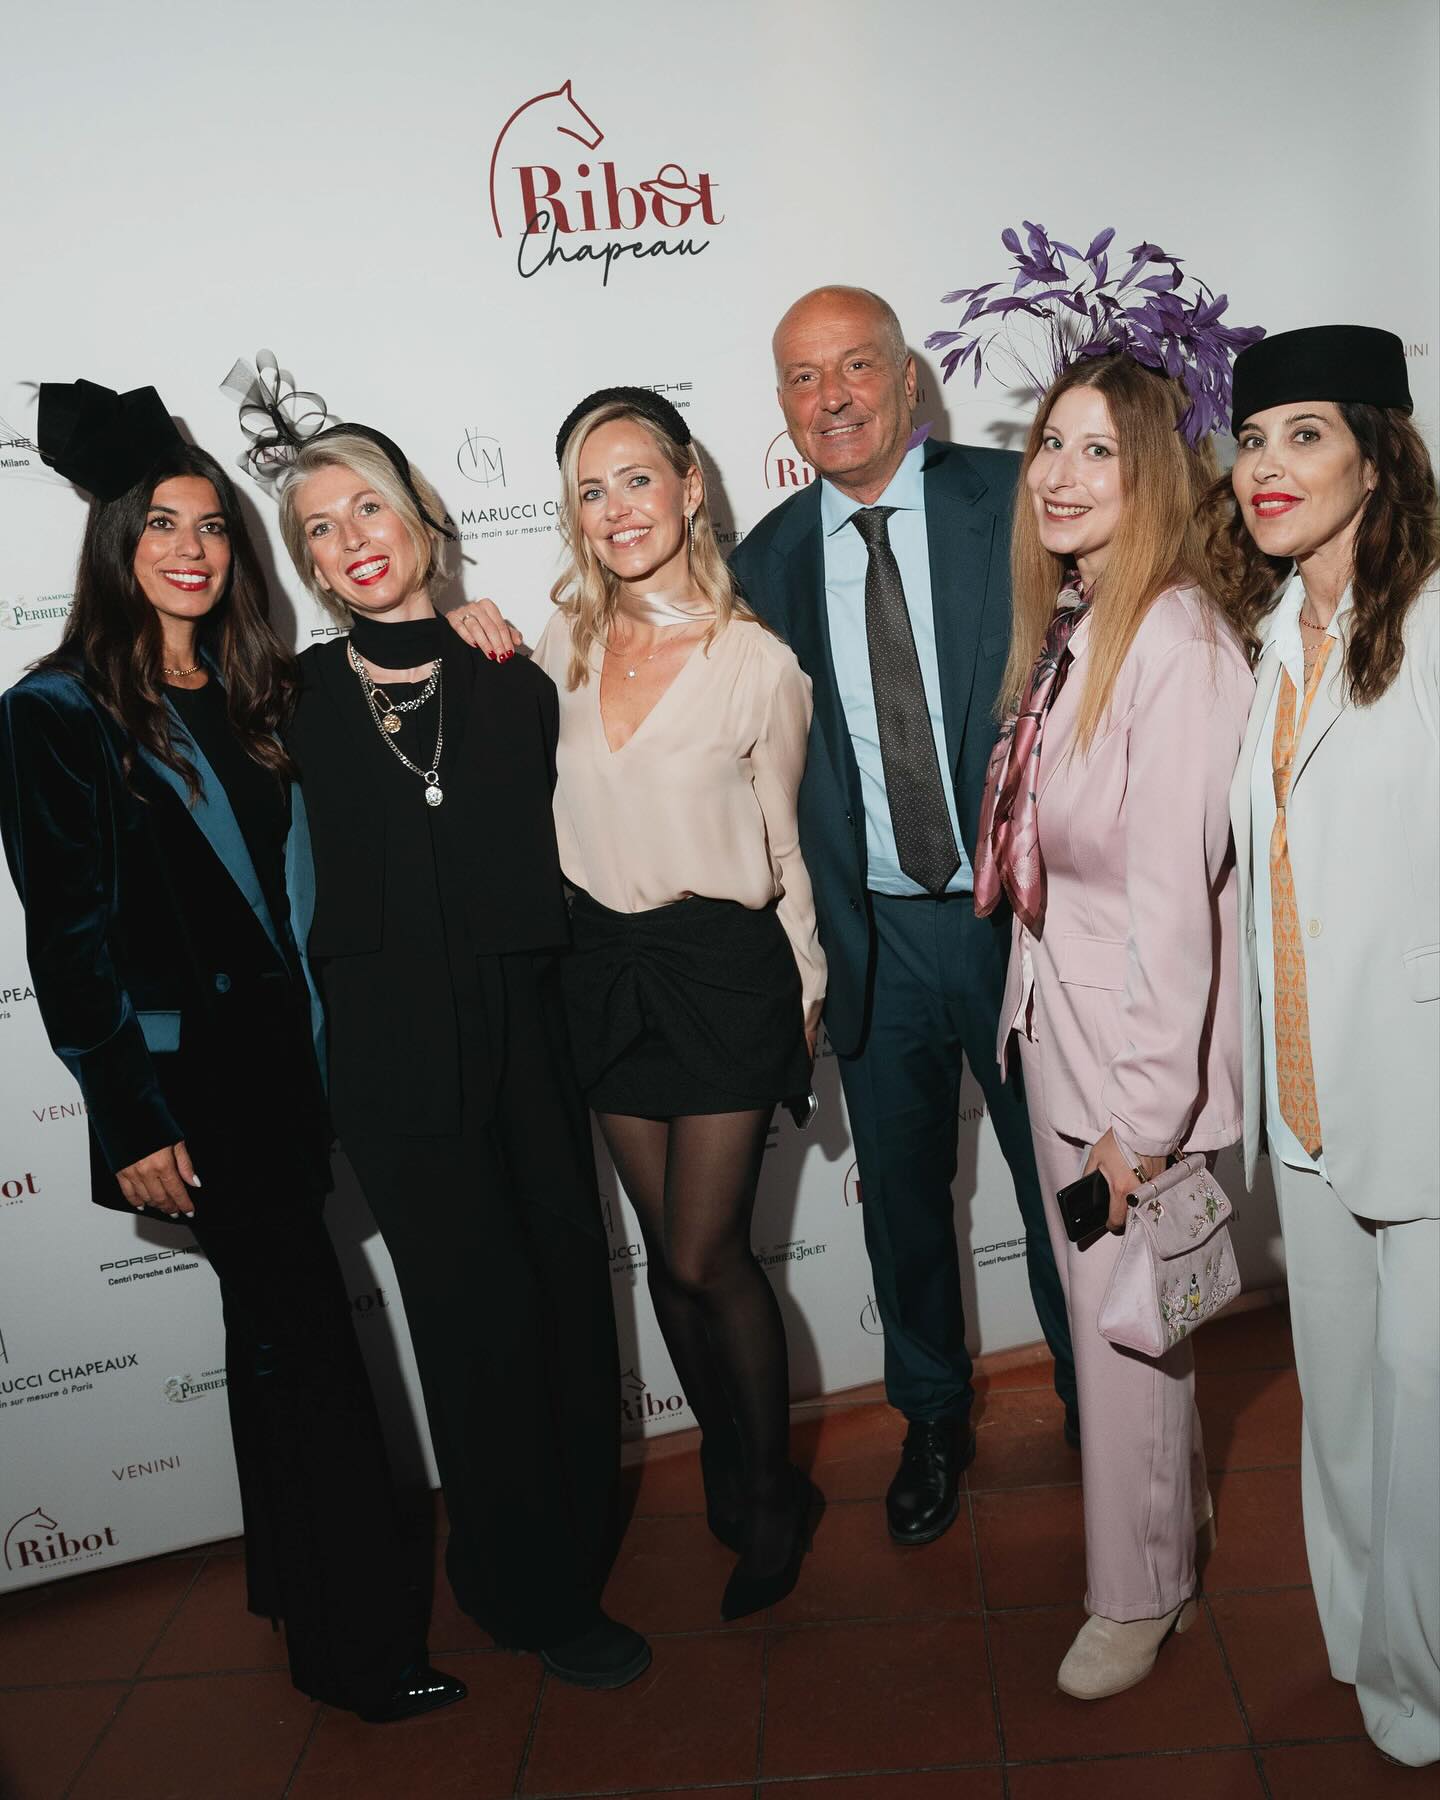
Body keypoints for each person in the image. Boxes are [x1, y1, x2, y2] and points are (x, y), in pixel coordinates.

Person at [0, 379, 463, 1724]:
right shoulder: (58, 711)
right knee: (312, 1358)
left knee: (272, 1352)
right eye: (161, 525)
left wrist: (467, 625)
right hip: (195, 1105)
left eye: (210, 525)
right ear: (116, 543)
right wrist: (130, 1118)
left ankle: (289, 1588)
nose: (191, 548)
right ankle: (357, 1651)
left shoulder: (263, 684)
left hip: (295, 1077)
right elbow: (67, 945)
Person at [257, 398, 650, 1690]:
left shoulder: (513, 676)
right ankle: (525, 1589)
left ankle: (573, 1547)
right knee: (473, 1328)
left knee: (564, 1300)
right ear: (310, 566)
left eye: (369, 505)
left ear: (423, 519)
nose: (352, 537)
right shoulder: (290, 701)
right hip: (396, 1071)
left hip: (532, 1044)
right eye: (321, 528)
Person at [450, 387, 827, 1619]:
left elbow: (787, 847)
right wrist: (454, 624)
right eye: (590, 490)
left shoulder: (756, 663)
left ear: (689, 486)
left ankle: (771, 1492)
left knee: (710, 1252)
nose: (616, 509)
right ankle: (727, 1455)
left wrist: (807, 994)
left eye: (637, 478)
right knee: (669, 1263)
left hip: (724, 973)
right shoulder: (554, 648)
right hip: (600, 972)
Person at [725, 287, 1078, 1548]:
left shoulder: (1018, 498)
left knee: (1065, 1184)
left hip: (1025, 919)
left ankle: (1103, 1402)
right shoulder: (761, 566)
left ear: (908, 378)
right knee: (904, 1207)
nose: (832, 398)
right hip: (874, 934)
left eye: (857, 366)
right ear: (782, 405)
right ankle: (932, 1416)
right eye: (803, 378)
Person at [975, 327, 1254, 1696]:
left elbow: (1178, 914)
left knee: (1125, 1322)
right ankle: (1166, 1540)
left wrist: (1140, 1124)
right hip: (1057, 1021)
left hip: (1129, 1051)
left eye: (1100, 452)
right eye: (1052, 444)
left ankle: (1136, 1596)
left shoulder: (1179, 643)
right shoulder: (1081, 622)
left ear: (1154, 479)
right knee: (1124, 1314)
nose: (1062, 474)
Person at [1210, 324, 1439, 1768]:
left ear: (1377, 454)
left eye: (1306, 433)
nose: (1270, 467)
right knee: (1344, 1413)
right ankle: (1369, 1656)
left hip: (1422, 1090)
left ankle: (1424, 1674)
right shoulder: (1268, 637)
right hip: (1303, 1103)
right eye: (1252, 440)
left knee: (1426, 1416)